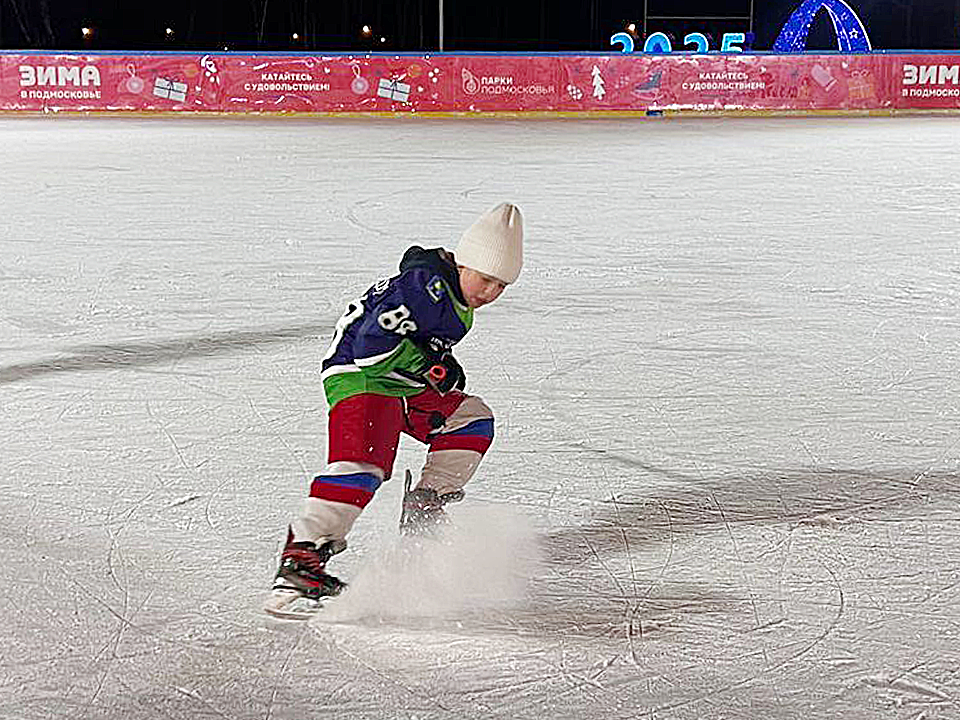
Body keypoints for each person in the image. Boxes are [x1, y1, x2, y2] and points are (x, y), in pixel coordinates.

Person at [267, 202, 524, 616]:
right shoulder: (425, 289)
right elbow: (371, 347)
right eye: (487, 279)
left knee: (470, 419)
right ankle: (301, 562)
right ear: (465, 263)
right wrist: (429, 364)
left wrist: (435, 364)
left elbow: (416, 344)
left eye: (502, 286)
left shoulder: (450, 292)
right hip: (361, 377)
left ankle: (425, 505)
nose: (491, 293)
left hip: (399, 384)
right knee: (363, 465)